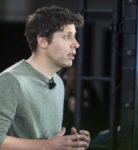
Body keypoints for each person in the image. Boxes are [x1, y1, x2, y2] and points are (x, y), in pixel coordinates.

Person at [0, 5, 90, 150]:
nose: (76, 44)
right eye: (67, 36)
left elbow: (50, 143)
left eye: (74, 36)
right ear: (43, 41)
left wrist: (70, 145)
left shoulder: (59, 83)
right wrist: (47, 145)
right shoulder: (11, 81)